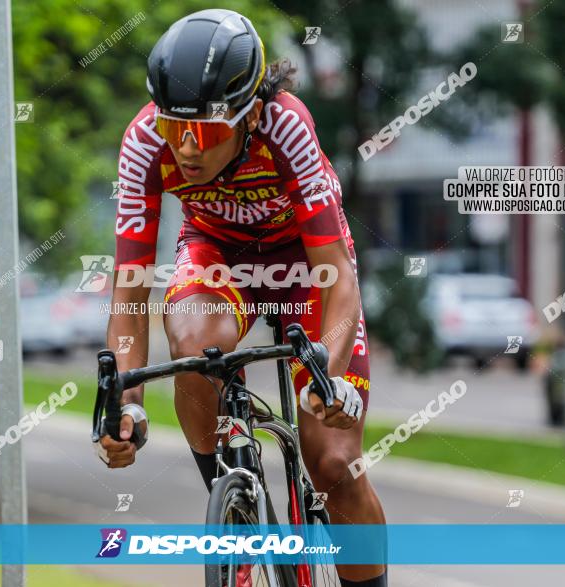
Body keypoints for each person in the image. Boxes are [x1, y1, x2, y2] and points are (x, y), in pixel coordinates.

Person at [97, 8, 386, 586]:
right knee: (196, 346)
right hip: (217, 252)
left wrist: (325, 377)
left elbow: (338, 273)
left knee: (332, 462)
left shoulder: (286, 124)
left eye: (202, 132)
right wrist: (127, 403)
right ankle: (236, 511)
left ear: (250, 113)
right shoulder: (144, 141)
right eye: (174, 128)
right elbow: (129, 291)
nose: (184, 148)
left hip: (307, 264)